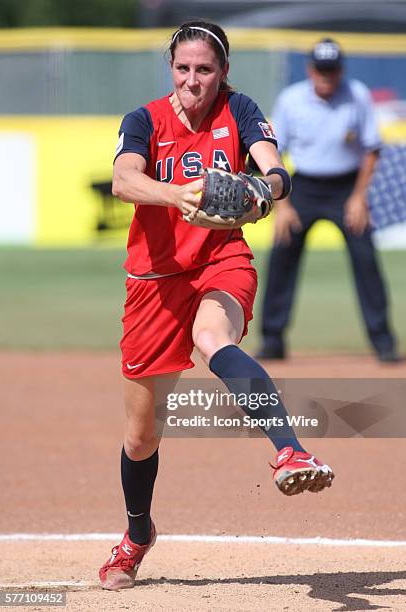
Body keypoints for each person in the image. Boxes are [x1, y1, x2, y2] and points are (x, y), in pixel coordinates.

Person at [99, 21, 334, 591]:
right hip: (154, 281)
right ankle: (137, 535)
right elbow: (123, 180)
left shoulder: (240, 109)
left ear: (222, 71)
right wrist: (174, 193)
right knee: (141, 437)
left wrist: (263, 188)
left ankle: (291, 453)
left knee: (214, 341)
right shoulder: (145, 120)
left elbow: (275, 169)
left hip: (218, 260)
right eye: (183, 69)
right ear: (171, 70)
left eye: (205, 69)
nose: (193, 80)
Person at [256, 38, 399, 363]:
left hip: (347, 188)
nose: (326, 77)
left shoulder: (356, 94)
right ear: (310, 70)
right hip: (302, 187)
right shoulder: (291, 100)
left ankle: (384, 342)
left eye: (332, 70)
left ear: (341, 70)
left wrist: (359, 197)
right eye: (321, 70)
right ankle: (273, 339)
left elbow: (372, 149)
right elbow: (274, 154)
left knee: (366, 261)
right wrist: (284, 205)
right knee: (282, 256)